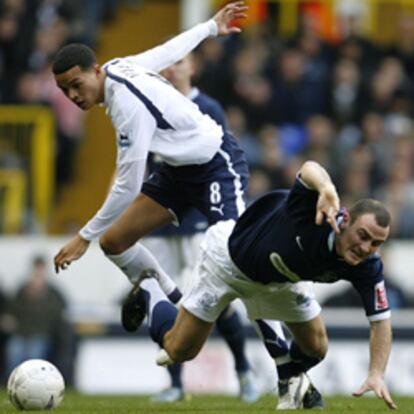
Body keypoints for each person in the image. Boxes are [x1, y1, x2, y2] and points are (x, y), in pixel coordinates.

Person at [123, 160, 397, 410]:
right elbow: (310, 167)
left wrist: (376, 373)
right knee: (178, 351)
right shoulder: (314, 212)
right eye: (363, 236)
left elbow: (381, 321)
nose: (365, 248)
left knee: (316, 347)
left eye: (376, 243)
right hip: (228, 262)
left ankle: (290, 381)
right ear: (345, 219)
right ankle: (150, 289)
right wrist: (326, 187)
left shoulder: (367, 265)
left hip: (281, 279)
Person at [52, 3, 249, 303]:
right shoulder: (118, 66)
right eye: (65, 91)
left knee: (234, 253)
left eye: (76, 85)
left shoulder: (126, 105)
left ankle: (275, 335)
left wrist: (83, 237)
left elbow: (129, 186)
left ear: (95, 71)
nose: (73, 96)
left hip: (216, 165)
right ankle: (170, 300)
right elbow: (167, 52)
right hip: (177, 172)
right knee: (114, 242)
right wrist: (209, 28)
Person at [140, 54, 258, 403]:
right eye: (168, 63)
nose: (172, 68)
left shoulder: (208, 107)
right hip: (161, 219)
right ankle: (176, 384)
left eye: (180, 62)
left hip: (197, 222)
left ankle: (243, 371)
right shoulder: (153, 109)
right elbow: (144, 164)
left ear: (193, 68)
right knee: (163, 298)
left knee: (211, 300)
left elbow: (222, 163)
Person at [4, 256, 69, 378]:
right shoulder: (23, 290)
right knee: (14, 352)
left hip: (41, 334)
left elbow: (58, 314)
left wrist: (41, 296)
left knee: (34, 354)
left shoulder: (52, 293)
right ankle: (11, 382)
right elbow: (12, 312)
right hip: (21, 333)